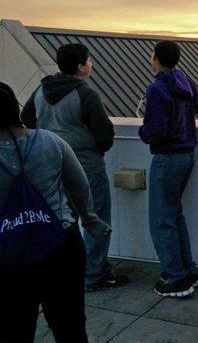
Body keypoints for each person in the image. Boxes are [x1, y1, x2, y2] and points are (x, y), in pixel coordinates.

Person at [0, 82, 110, 343]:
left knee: (14, 328)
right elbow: (80, 187)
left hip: (9, 252)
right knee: (70, 327)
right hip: (60, 243)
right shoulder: (49, 141)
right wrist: (90, 218)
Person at [21, 43, 128, 292]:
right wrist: (95, 149)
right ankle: (94, 274)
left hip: (51, 167)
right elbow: (104, 133)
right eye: (89, 60)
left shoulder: (41, 89)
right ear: (80, 66)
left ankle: (68, 271)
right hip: (86, 164)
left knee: (64, 220)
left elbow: (26, 119)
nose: (91, 64)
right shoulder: (86, 94)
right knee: (95, 217)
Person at [139, 40, 198, 297]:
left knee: (162, 219)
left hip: (167, 158)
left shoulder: (157, 89)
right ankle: (188, 271)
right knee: (174, 215)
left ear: (156, 58)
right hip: (186, 155)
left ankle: (176, 277)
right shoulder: (184, 80)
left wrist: (142, 131)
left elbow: (154, 131)